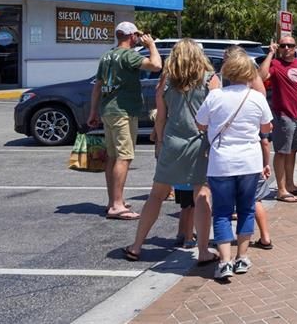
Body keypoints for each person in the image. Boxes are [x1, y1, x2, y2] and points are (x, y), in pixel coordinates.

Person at [122, 38, 219, 263]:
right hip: (200, 142)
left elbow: (161, 117)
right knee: (202, 194)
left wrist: (159, 139)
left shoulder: (166, 80)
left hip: (172, 142)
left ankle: (136, 246)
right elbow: (216, 114)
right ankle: (203, 250)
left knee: (156, 195)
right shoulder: (210, 79)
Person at [196, 47, 273, 281]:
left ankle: (225, 260)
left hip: (221, 162)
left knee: (221, 212)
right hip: (250, 161)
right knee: (246, 209)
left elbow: (200, 124)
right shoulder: (257, 98)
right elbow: (267, 128)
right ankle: (242, 257)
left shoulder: (215, 96)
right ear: (249, 72)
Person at [88, 21, 161, 220]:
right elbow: (156, 66)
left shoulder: (107, 56)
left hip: (108, 110)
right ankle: (117, 205)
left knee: (112, 156)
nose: (138, 37)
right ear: (131, 36)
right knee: (124, 156)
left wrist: (93, 112)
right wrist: (152, 45)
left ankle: (113, 200)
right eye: (137, 34)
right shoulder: (129, 55)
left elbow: (97, 86)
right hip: (123, 111)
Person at [220, 46, 274, 249]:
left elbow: (260, 95)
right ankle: (263, 237)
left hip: (247, 135)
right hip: (249, 134)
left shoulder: (246, 75)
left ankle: (264, 236)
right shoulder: (246, 73)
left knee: (252, 197)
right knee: (250, 196)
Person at [259, 36, 297, 203]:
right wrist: (270, 53)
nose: (286, 48)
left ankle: (290, 185)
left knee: (292, 151)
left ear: (295, 47)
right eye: (283, 45)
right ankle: (281, 189)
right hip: (284, 116)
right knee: (282, 152)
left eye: (290, 45)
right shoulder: (276, 65)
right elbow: (260, 76)